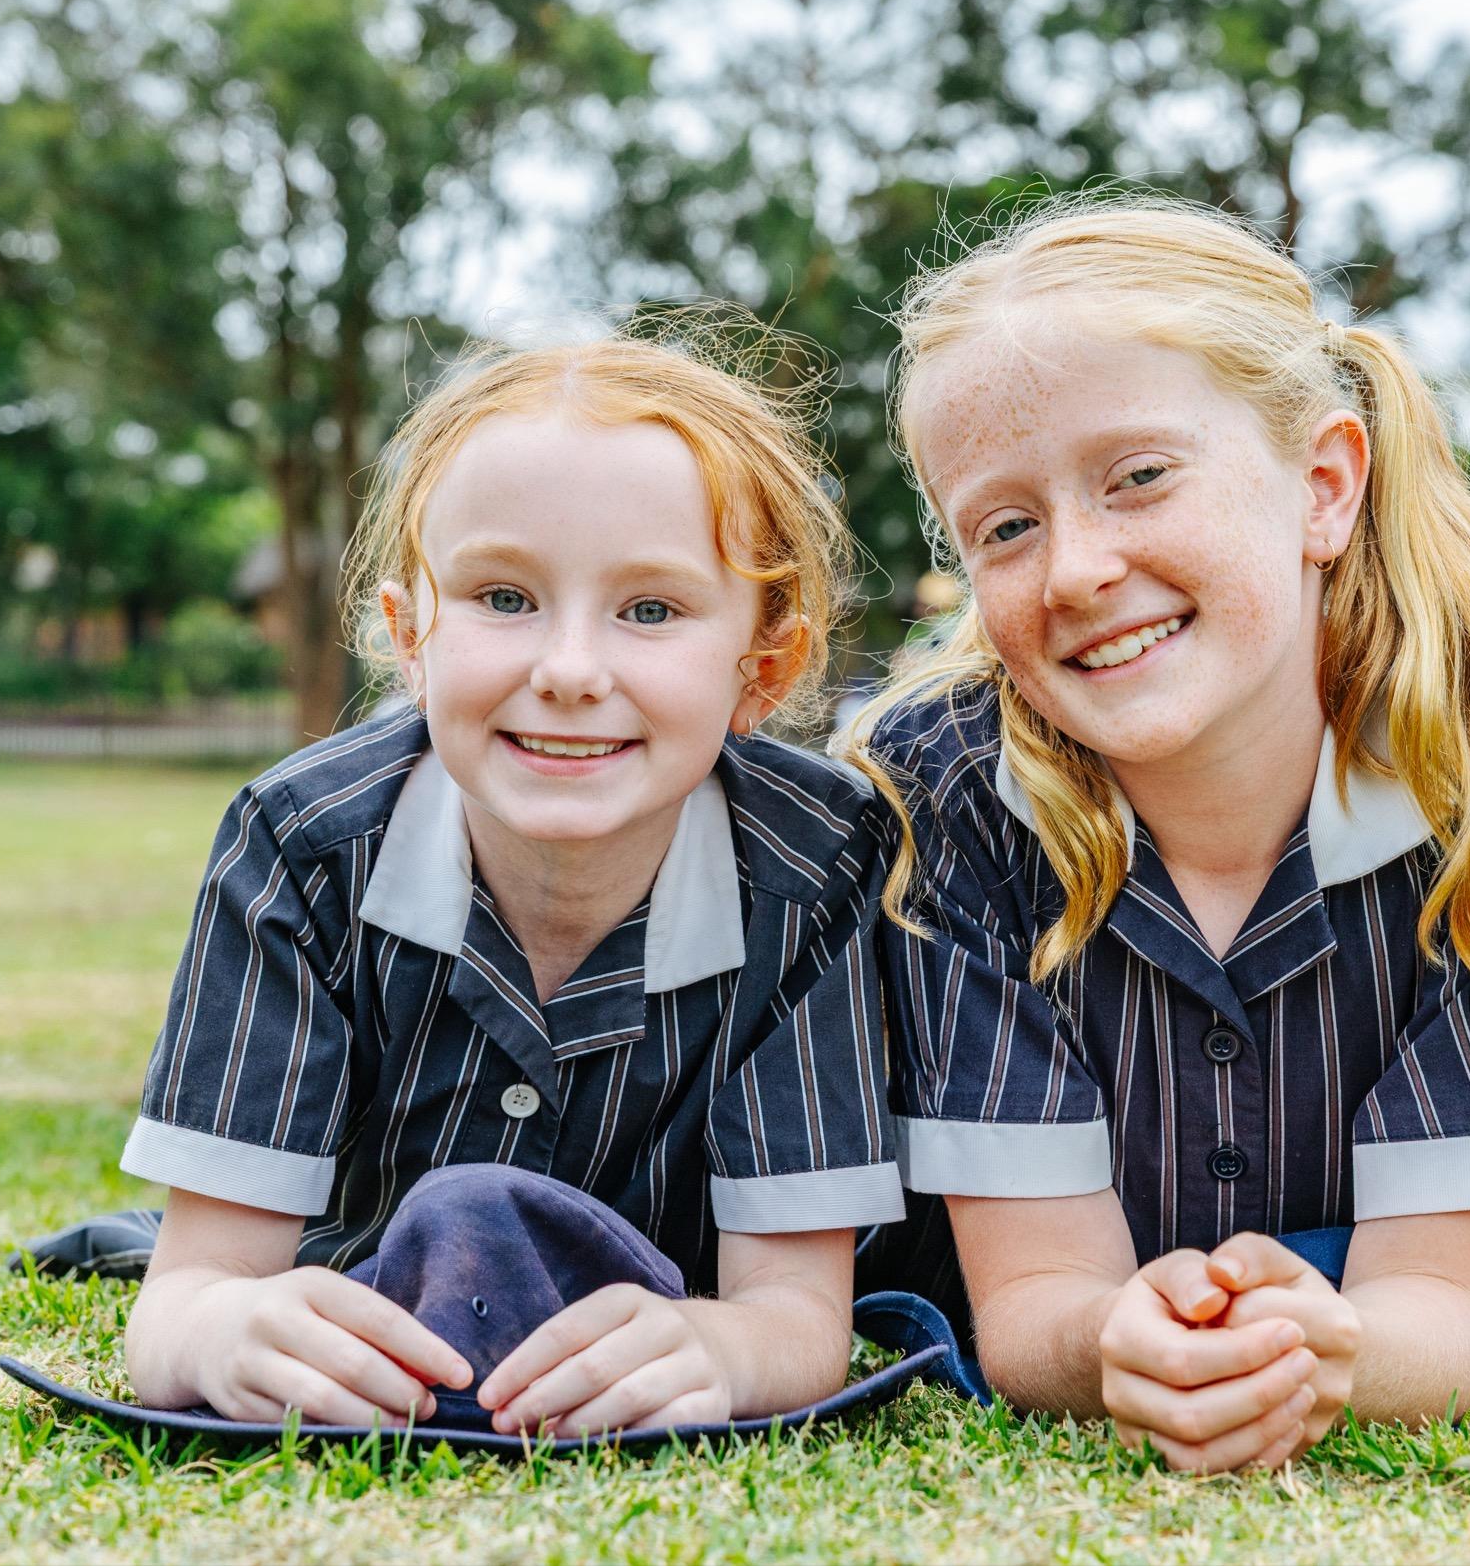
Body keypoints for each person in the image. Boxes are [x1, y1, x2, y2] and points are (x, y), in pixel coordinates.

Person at [842, 195, 1470, 1474]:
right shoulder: (945, 794)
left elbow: (1438, 1303)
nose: (1075, 569)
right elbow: (1037, 1296)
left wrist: (1331, 1354)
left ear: (1322, 486)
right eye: (1004, 525)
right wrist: (1117, 1342)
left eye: (1139, 476)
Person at [117, 329, 904, 1438]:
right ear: (409, 636)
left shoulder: (818, 869)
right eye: (502, 596)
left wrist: (720, 1347)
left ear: (762, 667)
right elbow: (186, 1292)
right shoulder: (298, 846)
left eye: (649, 610)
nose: (570, 671)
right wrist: (224, 1331)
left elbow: (797, 1316)